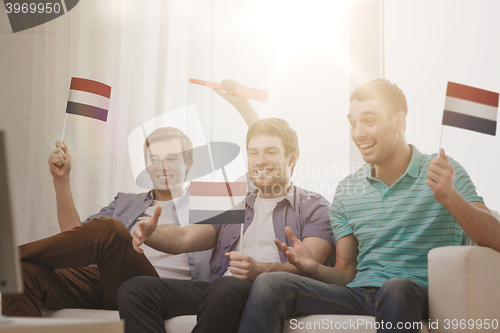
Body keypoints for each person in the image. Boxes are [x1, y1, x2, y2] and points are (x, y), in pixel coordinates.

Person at [236, 78, 500, 333]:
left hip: (416, 293)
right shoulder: (347, 190)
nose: (358, 133)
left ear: (399, 121)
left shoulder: (444, 171)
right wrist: (314, 268)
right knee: (270, 284)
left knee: (395, 288)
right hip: (358, 294)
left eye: (369, 121)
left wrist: (450, 198)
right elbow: (346, 273)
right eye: (353, 123)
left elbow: (495, 238)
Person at [117, 116, 336, 333]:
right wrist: (151, 233)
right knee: (134, 289)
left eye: (270, 152)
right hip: (220, 289)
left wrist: (261, 271)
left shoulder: (314, 206)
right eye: (253, 152)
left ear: (291, 159)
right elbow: (184, 237)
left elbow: (310, 269)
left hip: (269, 293)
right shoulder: (234, 200)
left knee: (225, 287)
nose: (260, 160)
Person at [1, 126, 213, 316]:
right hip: (106, 282)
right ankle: (10, 264)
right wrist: (61, 179)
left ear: (189, 164)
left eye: (172, 158)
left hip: (161, 291)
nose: (162, 166)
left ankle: (6, 259)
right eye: (154, 159)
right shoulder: (126, 202)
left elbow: (196, 240)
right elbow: (77, 238)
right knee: (22, 274)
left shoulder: (206, 202)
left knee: (112, 230)